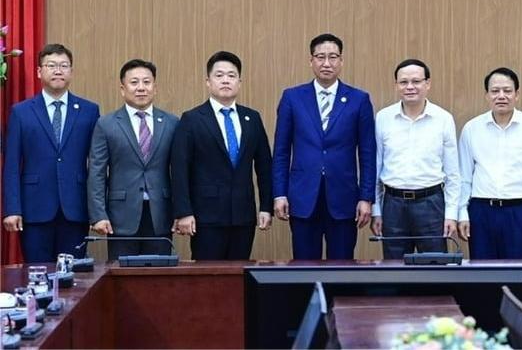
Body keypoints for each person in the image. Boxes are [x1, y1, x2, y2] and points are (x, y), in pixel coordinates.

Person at [272, 33, 376, 260]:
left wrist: (366, 197)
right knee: (304, 266)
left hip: (344, 197)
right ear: (311, 61)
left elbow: (368, 153)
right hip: (302, 196)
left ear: (341, 61)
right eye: (320, 57)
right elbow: (281, 151)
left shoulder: (359, 99)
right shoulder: (292, 97)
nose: (326, 63)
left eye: (333, 57)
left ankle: (338, 298)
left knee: (342, 267)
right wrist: (279, 193)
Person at [2, 43, 100, 262]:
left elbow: (97, 164)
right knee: (37, 276)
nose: (58, 70)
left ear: (71, 72)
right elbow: (11, 165)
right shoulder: (21, 112)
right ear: (39, 71)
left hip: (75, 208)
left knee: (73, 277)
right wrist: (12, 209)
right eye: (51, 65)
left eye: (64, 65)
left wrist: (97, 212)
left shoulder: (89, 110)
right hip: (34, 209)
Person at [170, 51, 273, 260]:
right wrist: (183, 211)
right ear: (208, 82)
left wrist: (266, 206)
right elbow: (180, 169)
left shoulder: (252, 118)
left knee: (238, 279)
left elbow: (264, 166)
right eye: (219, 75)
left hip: (243, 216)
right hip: (206, 217)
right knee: (207, 280)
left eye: (231, 75)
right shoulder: (192, 119)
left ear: (239, 82)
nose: (226, 80)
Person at [87, 59, 179, 260]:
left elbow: (180, 172)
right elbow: (97, 172)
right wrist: (98, 215)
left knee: (159, 281)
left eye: (146, 82)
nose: (141, 88)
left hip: (160, 213)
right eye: (134, 82)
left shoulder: (172, 123)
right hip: (121, 215)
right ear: (123, 88)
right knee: (122, 279)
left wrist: (181, 212)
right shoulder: (106, 124)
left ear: (155, 88)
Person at [458, 67, 522, 259]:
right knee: (482, 276)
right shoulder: (472, 129)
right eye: (495, 91)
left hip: (520, 212)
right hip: (481, 211)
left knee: (518, 274)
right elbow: (464, 177)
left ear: (517, 94)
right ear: (486, 95)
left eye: (507, 91)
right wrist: (462, 213)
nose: (501, 96)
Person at [371, 59, 460, 259]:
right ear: (396, 85)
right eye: (403, 82)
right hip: (393, 204)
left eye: (416, 81)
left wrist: (451, 214)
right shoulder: (383, 118)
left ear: (427, 84)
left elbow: (453, 173)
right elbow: (375, 168)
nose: (410, 87)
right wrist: (377, 210)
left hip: (431, 203)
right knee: (393, 268)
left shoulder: (443, 118)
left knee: (435, 269)